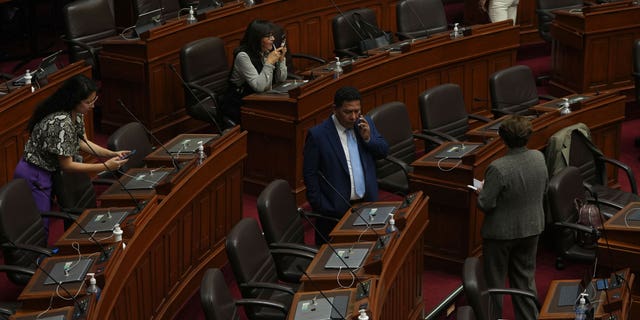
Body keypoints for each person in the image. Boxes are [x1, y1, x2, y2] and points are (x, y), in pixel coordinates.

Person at [13, 75, 130, 229]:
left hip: (48, 170)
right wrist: (105, 167)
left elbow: (82, 142)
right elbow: (67, 165)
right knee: (40, 225)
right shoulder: (60, 123)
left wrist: (111, 154)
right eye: (88, 102)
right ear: (75, 100)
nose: (92, 106)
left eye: (94, 101)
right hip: (35, 173)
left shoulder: (76, 113)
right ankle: (41, 254)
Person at [476, 115, 547, 320]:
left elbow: (485, 204)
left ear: (503, 138)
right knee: (525, 281)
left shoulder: (498, 168)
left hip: (500, 235)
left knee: (495, 285)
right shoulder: (538, 158)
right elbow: (542, 189)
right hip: (532, 228)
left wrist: (481, 192)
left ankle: (493, 317)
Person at [303, 86, 389, 244]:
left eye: (357, 111)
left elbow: (383, 151)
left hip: (367, 203)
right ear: (335, 109)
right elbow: (310, 174)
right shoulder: (318, 135)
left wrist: (369, 139)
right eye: (348, 112)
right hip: (335, 211)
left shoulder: (365, 123)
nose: (354, 117)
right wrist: (320, 204)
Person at [223, 19, 288, 124]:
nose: (273, 39)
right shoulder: (243, 56)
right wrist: (269, 63)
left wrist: (281, 60)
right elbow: (259, 87)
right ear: (257, 39)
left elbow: (281, 79)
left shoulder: (267, 50)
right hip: (240, 101)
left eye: (272, 35)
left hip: (262, 97)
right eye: (268, 36)